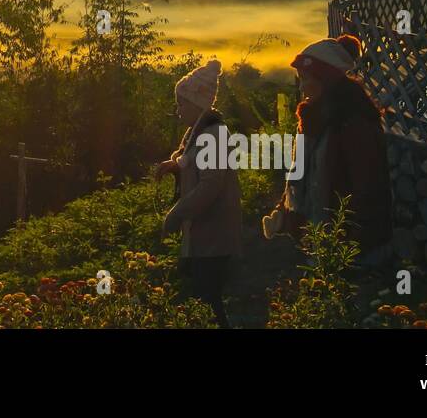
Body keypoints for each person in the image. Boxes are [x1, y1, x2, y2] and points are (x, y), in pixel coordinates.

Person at [263, 34, 393, 266]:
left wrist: (349, 240)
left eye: (305, 79)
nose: (301, 87)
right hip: (319, 238)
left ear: (326, 80)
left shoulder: (353, 124)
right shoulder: (313, 119)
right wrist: (284, 211)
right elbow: (301, 174)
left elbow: (366, 186)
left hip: (348, 246)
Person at [154, 58, 242, 327]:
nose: (178, 110)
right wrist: (175, 166)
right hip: (205, 236)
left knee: (208, 301)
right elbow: (194, 163)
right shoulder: (200, 133)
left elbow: (210, 185)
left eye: (181, 103)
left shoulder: (214, 135)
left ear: (197, 104)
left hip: (213, 235)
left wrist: (176, 214)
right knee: (204, 299)